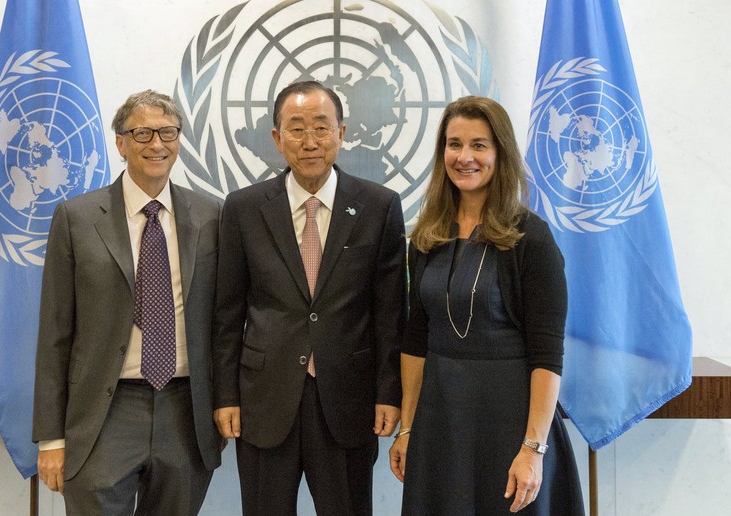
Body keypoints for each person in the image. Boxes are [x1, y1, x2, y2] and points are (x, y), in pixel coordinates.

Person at [212, 80, 406, 515]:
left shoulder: (379, 206)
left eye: (321, 127)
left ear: (342, 133)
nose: (310, 141)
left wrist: (388, 393)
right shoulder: (243, 208)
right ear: (278, 139)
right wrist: (225, 395)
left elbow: (390, 313)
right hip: (264, 401)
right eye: (296, 129)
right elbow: (227, 313)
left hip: (347, 401)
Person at [388, 96, 585, 515]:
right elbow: (415, 341)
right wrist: (407, 428)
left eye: (479, 145)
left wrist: (532, 448)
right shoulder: (427, 236)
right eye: (454, 144)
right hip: (441, 423)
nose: (464, 157)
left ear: (501, 153)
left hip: (510, 424)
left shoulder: (532, 239)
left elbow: (548, 355)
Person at [32, 90, 223, 514]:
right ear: (120, 143)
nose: (157, 144)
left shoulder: (213, 215)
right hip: (104, 412)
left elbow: (224, 322)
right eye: (142, 133)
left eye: (168, 132)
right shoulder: (77, 217)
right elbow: (55, 332)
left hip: (185, 410)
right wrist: (51, 437)